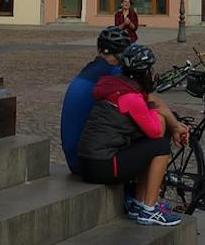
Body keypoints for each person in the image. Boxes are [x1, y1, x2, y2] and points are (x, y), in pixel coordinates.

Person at [74, 41, 188, 227]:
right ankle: (149, 209)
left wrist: (173, 124)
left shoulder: (119, 87)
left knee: (147, 143)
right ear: (144, 73)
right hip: (103, 164)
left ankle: (140, 202)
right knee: (159, 146)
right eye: (150, 70)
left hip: (91, 161)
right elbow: (156, 131)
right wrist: (154, 105)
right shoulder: (130, 97)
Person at [59, 26, 130, 177]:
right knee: (153, 143)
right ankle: (143, 198)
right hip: (87, 161)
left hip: (73, 157)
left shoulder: (90, 69)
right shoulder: (112, 73)